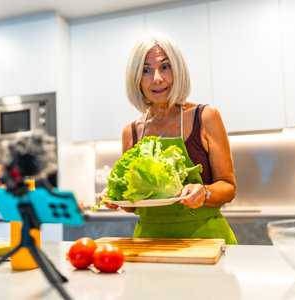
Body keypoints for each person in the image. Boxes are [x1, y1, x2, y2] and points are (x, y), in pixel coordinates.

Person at [100, 34, 238, 244]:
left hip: (205, 239)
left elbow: (228, 187)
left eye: (165, 67)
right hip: (149, 241)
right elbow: (132, 205)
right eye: (146, 70)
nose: (157, 78)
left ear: (178, 70)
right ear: (136, 78)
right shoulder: (131, 131)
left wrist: (204, 192)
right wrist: (115, 197)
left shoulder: (206, 116)